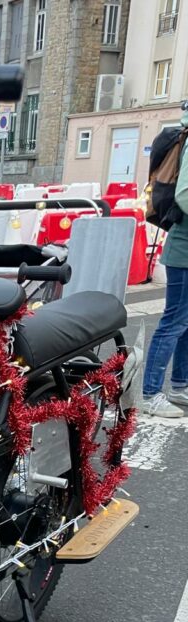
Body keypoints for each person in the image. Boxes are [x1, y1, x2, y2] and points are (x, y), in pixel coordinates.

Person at [143, 102, 188, 417]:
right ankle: (149, 393)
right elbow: (184, 194)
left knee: (185, 322)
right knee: (173, 321)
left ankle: (180, 385)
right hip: (184, 250)